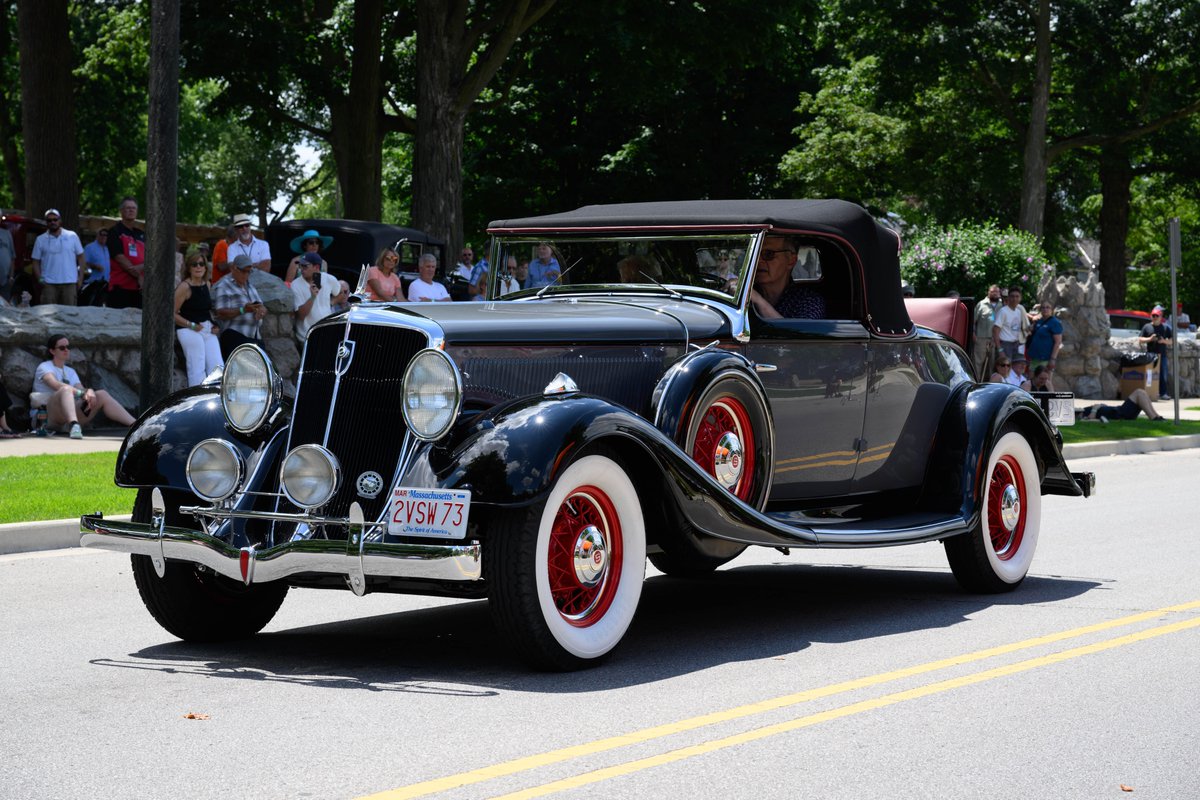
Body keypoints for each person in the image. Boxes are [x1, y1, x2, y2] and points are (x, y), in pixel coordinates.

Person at [32, 333, 136, 439]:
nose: (66, 350)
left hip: (67, 417)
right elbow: (55, 384)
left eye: (68, 347)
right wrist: (81, 393)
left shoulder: (70, 371)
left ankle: (136, 425)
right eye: (62, 348)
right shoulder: (44, 367)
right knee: (65, 389)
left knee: (101, 394)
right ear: (52, 351)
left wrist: (89, 391)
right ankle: (74, 426)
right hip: (47, 418)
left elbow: (80, 388)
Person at [174, 252, 223, 387]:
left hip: (205, 328)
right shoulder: (184, 287)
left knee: (218, 366)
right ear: (189, 268)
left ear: (205, 267)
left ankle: (217, 399)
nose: (198, 267)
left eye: (201, 264)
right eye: (194, 264)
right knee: (197, 366)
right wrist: (191, 325)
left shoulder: (207, 284)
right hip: (187, 328)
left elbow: (205, 310)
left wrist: (214, 325)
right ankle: (198, 401)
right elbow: (172, 314)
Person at [748, 234, 826, 319]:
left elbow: (801, 331)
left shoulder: (808, 301)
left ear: (791, 261)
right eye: (754, 254)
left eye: (768, 254)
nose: (758, 261)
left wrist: (759, 302)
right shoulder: (744, 295)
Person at [213, 254, 267, 360]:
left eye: (249, 271)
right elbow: (221, 313)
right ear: (234, 268)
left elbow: (262, 306)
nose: (246, 275)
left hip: (255, 336)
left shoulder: (251, 287)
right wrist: (243, 310)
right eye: (243, 271)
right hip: (235, 335)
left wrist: (262, 310)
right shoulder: (224, 286)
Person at [29, 209, 85, 305]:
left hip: (69, 283)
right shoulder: (40, 239)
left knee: (70, 316)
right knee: (48, 316)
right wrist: (40, 279)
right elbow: (35, 261)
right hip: (49, 285)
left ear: (60, 220)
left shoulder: (72, 236)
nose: (52, 222)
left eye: (55, 219)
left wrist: (80, 279)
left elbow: (81, 257)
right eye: (49, 220)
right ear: (46, 222)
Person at [292, 252, 345, 341]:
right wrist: (312, 297)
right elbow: (301, 316)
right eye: (300, 266)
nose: (301, 269)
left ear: (316, 267)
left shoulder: (329, 279)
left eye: (305, 266)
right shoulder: (295, 285)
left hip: (327, 333)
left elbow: (341, 293)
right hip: (307, 337)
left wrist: (331, 303)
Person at [106, 196, 146, 309]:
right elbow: (120, 258)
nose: (131, 210)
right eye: (128, 208)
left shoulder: (141, 234)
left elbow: (151, 258)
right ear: (121, 211)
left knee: (139, 324)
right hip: (120, 287)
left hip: (140, 289)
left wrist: (143, 267)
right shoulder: (114, 232)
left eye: (133, 208)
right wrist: (138, 275)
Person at [1138, 306, 1173, 400]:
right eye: (1153, 315)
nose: (1154, 317)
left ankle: (1163, 393)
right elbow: (1140, 339)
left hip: (1162, 355)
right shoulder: (1147, 327)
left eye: (1156, 315)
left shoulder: (1166, 328)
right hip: (1150, 355)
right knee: (1149, 374)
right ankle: (1149, 393)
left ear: (1161, 317)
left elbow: (1172, 341)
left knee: (1163, 375)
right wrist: (1150, 339)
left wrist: (1163, 341)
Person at [992, 286, 1029, 363]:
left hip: (1015, 344)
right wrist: (1000, 350)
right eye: (1012, 296)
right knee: (1004, 370)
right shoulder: (1003, 311)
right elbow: (995, 331)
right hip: (1005, 345)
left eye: (1017, 296)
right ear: (1008, 297)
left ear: (1020, 298)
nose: (1014, 299)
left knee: (1012, 370)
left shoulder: (1018, 311)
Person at [1079, 388, 1163, 422]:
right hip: (1120, 413)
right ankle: (1153, 417)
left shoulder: (1084, 410)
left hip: (1119, 411)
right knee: (1139, 392)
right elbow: (1091, 418)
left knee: (1142, 392)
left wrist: (1102, 405)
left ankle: (1157, 416)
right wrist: (1095, 408)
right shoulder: (1084, 414)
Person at [1026, 300, 1063, 375]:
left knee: (1045, 382)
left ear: (1051, 310)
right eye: (1043, 307)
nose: (1045, 309)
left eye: (1048, 307)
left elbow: (1058, 342)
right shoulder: (1038, 321)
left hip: (1045, 359)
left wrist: (1053, 359)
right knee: (1031, 380)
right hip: (1034, 357)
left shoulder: (1055, 323)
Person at [972, 284, 1002, 378]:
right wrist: (973, 335)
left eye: (997, 292)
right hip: (981, 339)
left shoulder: (1003, 305)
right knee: (977, 364)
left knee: (992, 365)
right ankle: (976, 383)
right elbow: (973, 321)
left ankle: (990, 386)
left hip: (996, 340)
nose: (995, 293)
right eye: (993, 291)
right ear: (988, 292)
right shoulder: (981, 304)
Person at [80, 228, 111, 305]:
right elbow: (83, 262)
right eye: (102, 234)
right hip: (93, 283)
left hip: (107, 282)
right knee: (92, 305)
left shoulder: (108, 248)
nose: (104, 237)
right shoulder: (89, 247)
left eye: (106, 235)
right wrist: (95, 266)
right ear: (97, 235)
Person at [0, 221, 15, 302]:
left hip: (5, 280)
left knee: (5, 308)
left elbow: (13, 256)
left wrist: (11, 276)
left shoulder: (7, 234)